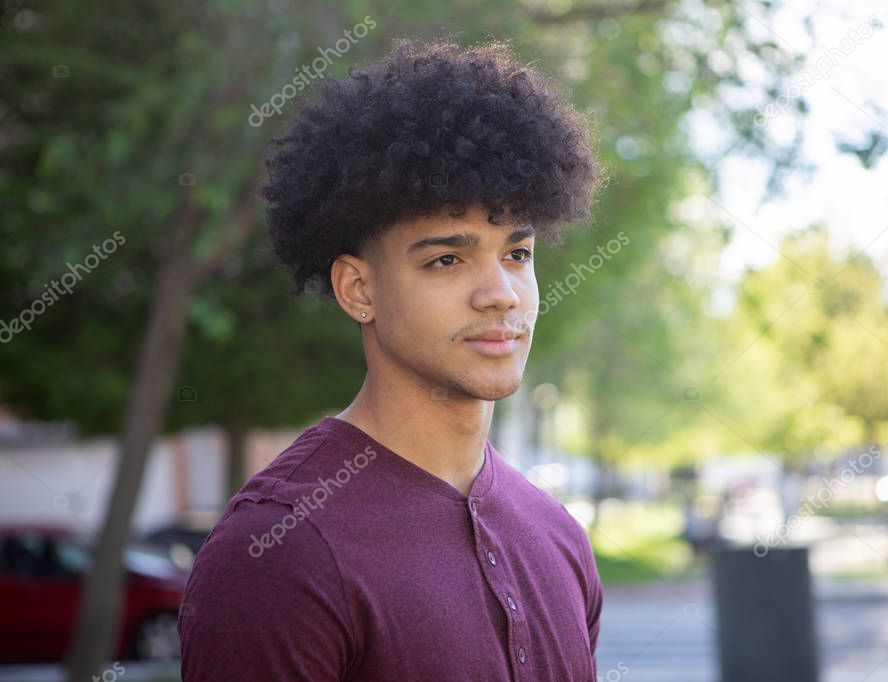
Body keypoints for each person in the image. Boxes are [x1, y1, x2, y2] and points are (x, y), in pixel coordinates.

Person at [178, 37, 607, 681]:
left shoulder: (559, 538)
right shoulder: (278, 552)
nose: (500, 294)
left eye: (517, 254)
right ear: (359, 290)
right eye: (446, 259)